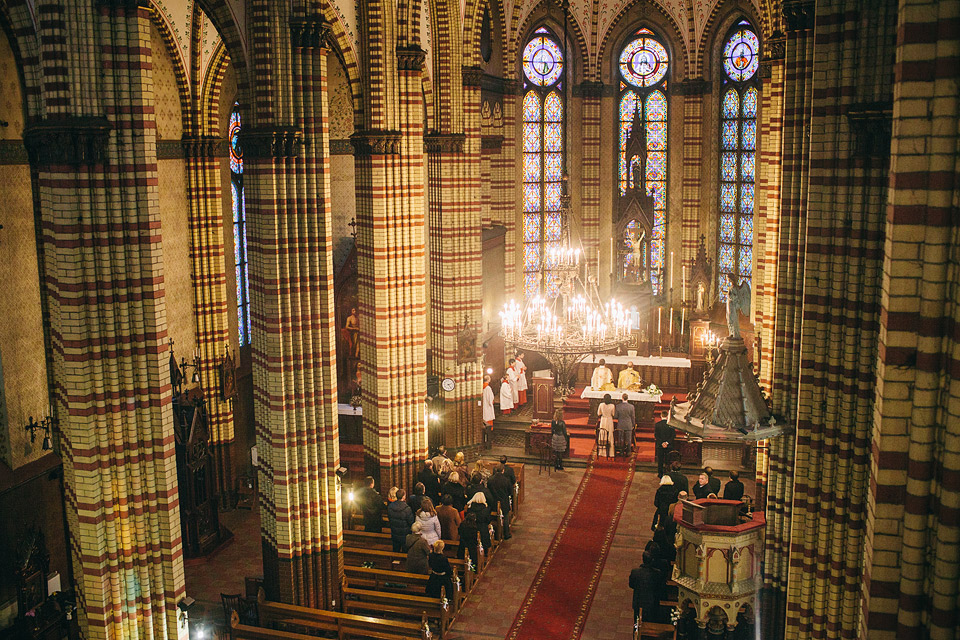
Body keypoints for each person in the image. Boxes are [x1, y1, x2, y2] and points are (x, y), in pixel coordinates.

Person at [629, 552, 666, 623]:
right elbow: (660, 588)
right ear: (652, 560)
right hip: (652, 603)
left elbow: (631, 585)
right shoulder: (657, 573)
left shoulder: (635, 572)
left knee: (637, 622)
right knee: (650, 622)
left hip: (638, 601)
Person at [488, 462, 513, 540]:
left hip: (493, 501)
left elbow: (489, 490)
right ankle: (506, 534)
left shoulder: (490, 480)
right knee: (505, 517)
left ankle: (496, 535)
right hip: (504, 501)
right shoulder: (506, 480)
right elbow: (510, 491)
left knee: (494, 517)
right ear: (503, 470)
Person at [387, 487, 415, 552]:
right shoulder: (407, 509)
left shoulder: (390, 507)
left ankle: (395, 561)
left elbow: (390, 519)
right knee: (405, 551)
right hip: (405, 534)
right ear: (403, 497)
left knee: (395, 550)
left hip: (395, 532)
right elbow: (411, 522)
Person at [654, 411, 676, 476]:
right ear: (667, 416)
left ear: (661, 416)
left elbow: (656, 435)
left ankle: (660, 473)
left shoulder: (657, 424)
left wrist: (662, 443)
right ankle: (667, 473)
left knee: (660, 460)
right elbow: (673, 435)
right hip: (669, 446)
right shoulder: (671, 424)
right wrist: (667, 443)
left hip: (660, 445)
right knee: (667, 460)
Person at [597, 393, 616, 458]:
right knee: (610, 435)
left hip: (603, 420)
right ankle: (610, 452)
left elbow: (598, 413)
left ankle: (602, 452)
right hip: (609, 421)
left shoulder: (601, 405)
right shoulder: (612, 406)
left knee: (602, 435)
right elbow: (613, 414)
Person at [481, 375, 495, 448]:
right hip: (488, 406)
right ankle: (489, 434)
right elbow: (490, 398)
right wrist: (491, 402)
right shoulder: (488, 388)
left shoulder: (481, 386)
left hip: (483, 405)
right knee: (489, 420)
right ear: (488, 379)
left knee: (485, 418)